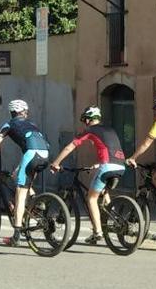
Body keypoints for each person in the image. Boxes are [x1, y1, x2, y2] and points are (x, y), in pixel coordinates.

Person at [0, 99, 49, 247]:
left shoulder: (9, 125)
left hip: (31, 155)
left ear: (11, 112)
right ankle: (36, 201)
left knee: (20, 192)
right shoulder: (32, 125)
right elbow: (38, 147)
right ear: (24, 112)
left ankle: (17, 235)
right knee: (17, 176)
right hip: (44, 155)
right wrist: (19, 167)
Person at [50, 105, 126, 245]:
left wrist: (56, 162)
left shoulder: (90, 131)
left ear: (87, 120)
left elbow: (70, 147)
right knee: (104, 192)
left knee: (91, 198)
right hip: (121, 166)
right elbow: (109, 150)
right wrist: (98, 164)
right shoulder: (110, 130)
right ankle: (114, 219)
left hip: (107, 166)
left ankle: (97, 232)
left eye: (85, 120)